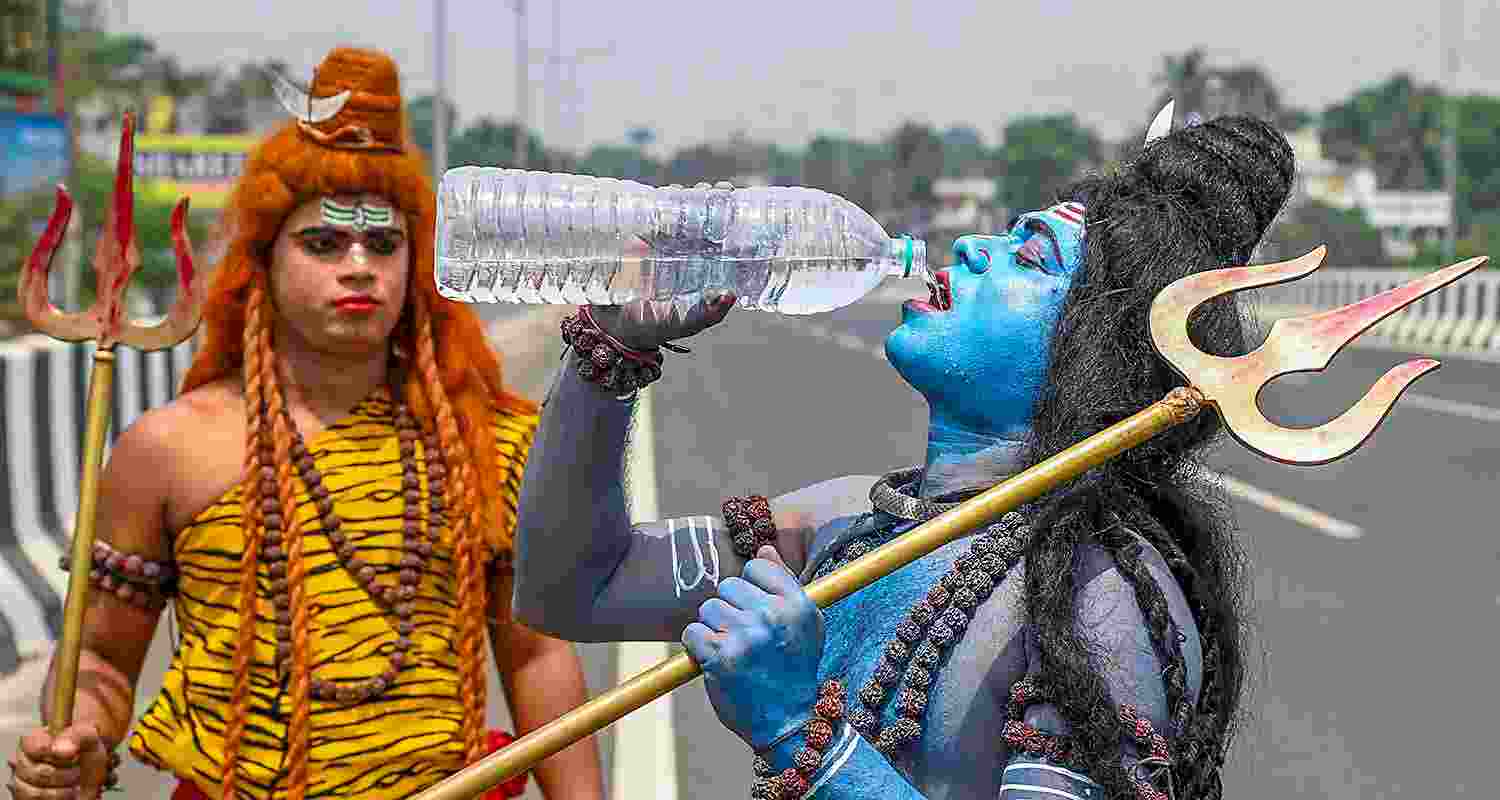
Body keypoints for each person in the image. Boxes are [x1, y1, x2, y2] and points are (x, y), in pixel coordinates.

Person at [511, 114, 1294, 799]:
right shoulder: (849, 522)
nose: (979, 248)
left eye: (1033, 256)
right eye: (1005, 232)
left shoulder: (1097, 598)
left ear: (1096, 351)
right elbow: (575, 589)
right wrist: (608, 356)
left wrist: (798, 735)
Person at [5, 47, 604, 800]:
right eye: (324, 243)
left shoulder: (486, 441)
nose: (359, 266)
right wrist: (81, 734)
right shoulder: (167, 450)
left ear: (412, 264)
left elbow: (536, 655)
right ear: (264, 263)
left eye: (383, 244)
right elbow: (98, 658)